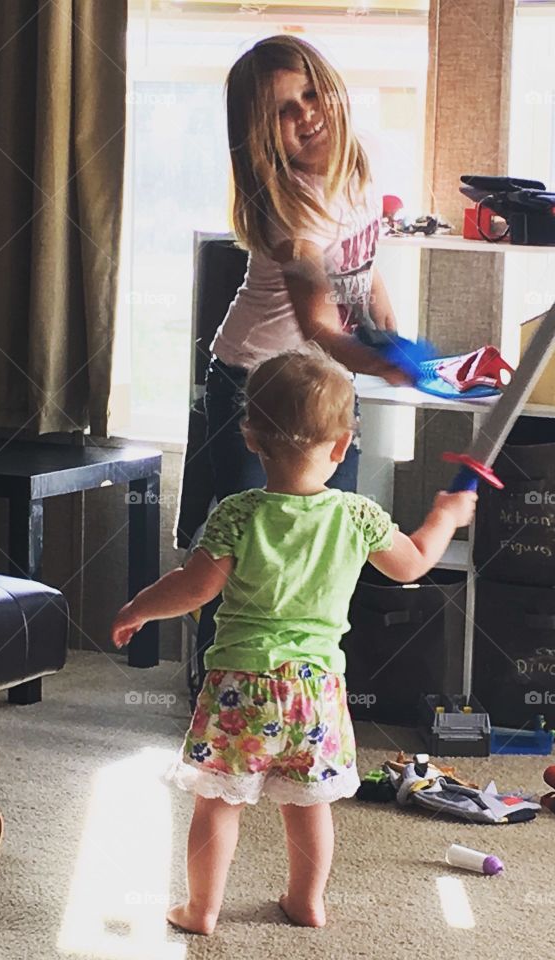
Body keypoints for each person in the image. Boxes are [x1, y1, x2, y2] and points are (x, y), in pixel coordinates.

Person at [111, 349, 476, 935]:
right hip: (316, 690)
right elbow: (411, 564)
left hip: (240, 687)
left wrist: (138, 608)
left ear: (251, 438)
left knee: (218, 803)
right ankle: (306, 901)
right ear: (341, 446)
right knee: (308, 805)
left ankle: (201, 910)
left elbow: (193, 587)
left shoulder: (238, 514)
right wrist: (447, 517)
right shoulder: (358, 516)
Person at [192, 33, 412, 690]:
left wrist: (392, 336)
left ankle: (305, 685)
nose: (306, 114)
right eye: (283, 110)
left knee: (327, 543)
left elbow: (364, 270)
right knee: (244, 551)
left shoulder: (358, 171)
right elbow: (318, 324)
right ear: (263, 137)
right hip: (256, 386)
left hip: (323, 385)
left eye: (310, 93)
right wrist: (381, 366)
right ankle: (219, 691)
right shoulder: (293, 210)